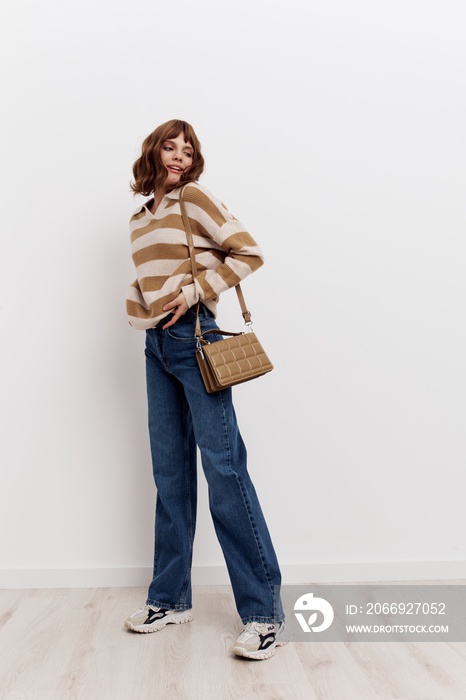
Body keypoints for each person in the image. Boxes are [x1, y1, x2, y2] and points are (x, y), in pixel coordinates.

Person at [124, 119, 286, 660]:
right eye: (169, 147)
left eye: (187, 148)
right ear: (153, 153)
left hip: (198, 340)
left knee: (224, 469)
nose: (179, 155)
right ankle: (170, 598)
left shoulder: (194, 198)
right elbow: (145, 283)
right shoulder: (140, 220)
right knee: (169, 474)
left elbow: (248, 252)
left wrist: (193, 291)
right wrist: (145, 314)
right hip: (157, 350)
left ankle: (263, 613)